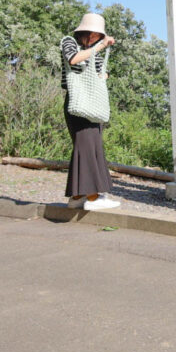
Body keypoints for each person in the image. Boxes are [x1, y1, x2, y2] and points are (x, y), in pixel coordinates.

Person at [62, 13, 120, 210]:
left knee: (88, 147)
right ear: (86, 32)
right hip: (77, 103)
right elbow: (73, 60)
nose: (97, 39)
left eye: (99, 36)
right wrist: (100, 46)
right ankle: (94, 198)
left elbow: (95, 74)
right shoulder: (69, 42)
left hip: (92, 104)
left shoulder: (91, 49)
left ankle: (77, 197)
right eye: (95, 35)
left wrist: (103, 75)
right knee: (85, 147)